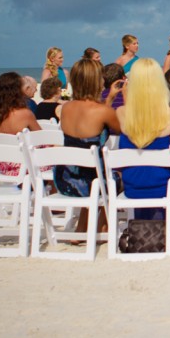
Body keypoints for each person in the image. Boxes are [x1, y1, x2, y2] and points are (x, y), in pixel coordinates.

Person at [54, 58, 122, 233]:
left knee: (91, 170)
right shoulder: (102, 111)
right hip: (92, 181)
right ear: (95, 81)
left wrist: (110, 98)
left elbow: (92, 120)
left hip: (66, 178)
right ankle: (102, 225)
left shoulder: (67, 108)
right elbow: (122, 129)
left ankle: (81, 228)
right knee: (118, 177)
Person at [116, 58, 170, 220]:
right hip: (162, 186)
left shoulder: (121, 112)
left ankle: (143, 223)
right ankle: (168, 223)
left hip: (132, 186)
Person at [0, 72, 41, 176]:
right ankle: (47, 190)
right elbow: (41, 138)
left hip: (1, 165)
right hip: (22, 166)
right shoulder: (25, 113)